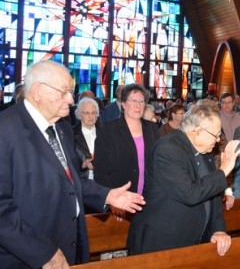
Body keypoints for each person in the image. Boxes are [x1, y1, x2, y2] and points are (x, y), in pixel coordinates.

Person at [0, 60, 145, 267]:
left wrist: (106, 195)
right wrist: (43, 251)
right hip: (27, 254)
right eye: (64, 91)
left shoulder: (62, 128)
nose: (70, 99)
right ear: (38, 91)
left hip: (71, 243)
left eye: (71, 91)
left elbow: (72, 181)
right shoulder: (5, 130)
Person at [127, 105, 240, 255]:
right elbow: (190, 194)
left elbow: (213, 195)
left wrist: (218, 229)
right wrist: (223, 170)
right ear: (197, 131)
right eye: (216, 134)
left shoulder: (205, 151)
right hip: (161, 243)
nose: (219, 138)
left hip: (190, 241)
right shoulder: (168, 149)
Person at [94, 84, 160, 219]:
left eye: (141, 101)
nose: (138, 105)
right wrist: (113, 199)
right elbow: (101, 171)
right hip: (121, 200)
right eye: (133, 101)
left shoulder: (152, 128)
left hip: (149, 199)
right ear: (123, 104)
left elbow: (158, 163)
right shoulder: (109, 130)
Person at [73, 97, 101, 180]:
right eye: (86, 113)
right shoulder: (70, 134)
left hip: (103, 182)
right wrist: (82, 165)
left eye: (93, 113)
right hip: (81, 181)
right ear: (79, 114)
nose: (90, 116)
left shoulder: (106, 132)